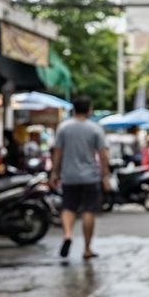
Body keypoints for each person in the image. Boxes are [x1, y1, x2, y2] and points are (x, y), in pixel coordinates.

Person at [50, 96, 109, 260]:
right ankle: (87, 248)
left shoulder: (63, 128)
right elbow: (103, 154)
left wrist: (54, 172)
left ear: (74, 109)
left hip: (68, 176)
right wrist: (105, 176)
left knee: (68, 207)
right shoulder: (95, 129)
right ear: (89, 109)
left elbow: (57, 152)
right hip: (90, 176)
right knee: (88, 210)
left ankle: (68, 235)